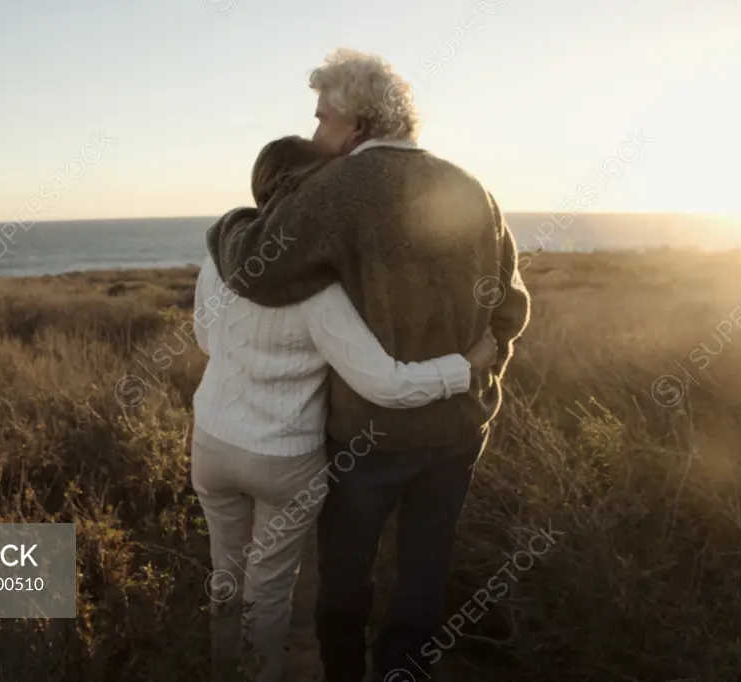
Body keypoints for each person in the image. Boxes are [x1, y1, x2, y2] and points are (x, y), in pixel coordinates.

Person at [204, 49, 531, 682]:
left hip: (367, 438)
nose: (315, 132)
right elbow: (512, 307)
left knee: (346, 574)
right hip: (461, 430)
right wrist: (481, 372)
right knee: (423, 573)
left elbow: (254, 271)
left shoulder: (337, 188)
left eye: (323, 117)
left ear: (356, 123)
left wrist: (228, 222)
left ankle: (344, 674)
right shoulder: (473, 187)